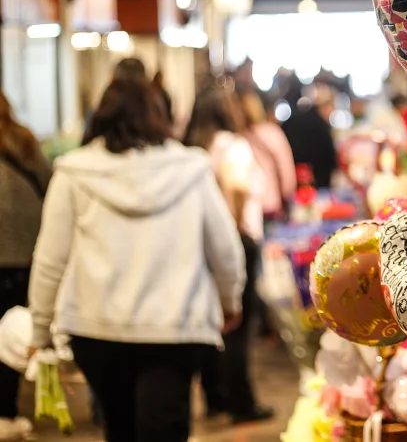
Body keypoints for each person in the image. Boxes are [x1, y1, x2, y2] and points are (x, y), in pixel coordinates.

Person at [27, 80, 245, 442]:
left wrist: (40, 329)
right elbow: (225, 248)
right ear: (159, 115)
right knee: (166, 427)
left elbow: (50, 258)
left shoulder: (74, 172)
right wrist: (229, 300)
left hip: (97, 329)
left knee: (119, 427)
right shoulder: (190, 169)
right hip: (176, 328)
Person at [184, 87, 273, 424]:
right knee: (237, 323)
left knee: (210, 322)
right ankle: (241, 401)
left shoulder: (193, 146)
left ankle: (215, 398)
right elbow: (236, 187)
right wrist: (234, 229)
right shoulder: (232, 146)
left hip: (198, 241)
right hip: (236, 239)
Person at [0, 93, 50, 441]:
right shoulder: (25, 139)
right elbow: (50, 185)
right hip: (27, 254)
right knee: (13, 334)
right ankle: (7, 409)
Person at [238, 91, 295, 221]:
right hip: (272, 206)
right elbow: (287, 173)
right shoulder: (272, 133)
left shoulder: (237, 139)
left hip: (249, 211)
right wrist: (286, 197)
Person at [282, 84, 337, 189]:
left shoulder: (293, 120)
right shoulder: (322, 126)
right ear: (326, 106)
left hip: (294, 179)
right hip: (317, 183)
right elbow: (330, 159)